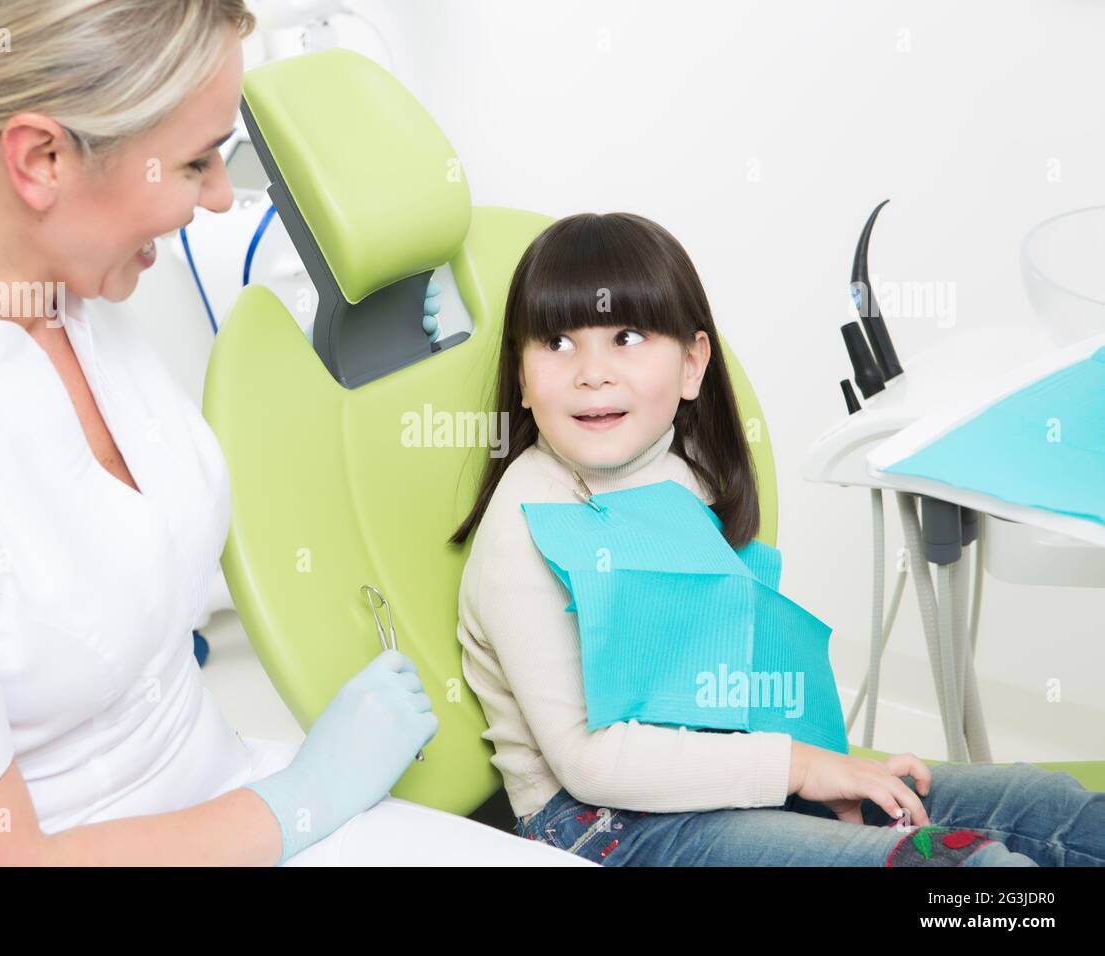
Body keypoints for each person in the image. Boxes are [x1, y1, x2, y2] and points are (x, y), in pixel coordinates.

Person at [0, 0, 591, 868]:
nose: (220, 197)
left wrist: (388, 320)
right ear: (41, 158)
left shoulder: (61, 274)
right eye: (194, 163)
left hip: (229, 795)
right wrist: (299, 803)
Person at [450, 210, 1105, 866]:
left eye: (626, 336)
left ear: (692, 363)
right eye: (557, 343)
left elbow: (723, 675)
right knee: (957, 867)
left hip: (727, 770)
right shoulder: (525, 521)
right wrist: (801, 769)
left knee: (1045, 808)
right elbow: (592, 762)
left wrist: (832, 772)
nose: (592, 372)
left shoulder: (683, 468)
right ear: (522, 376)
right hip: (599, 825)